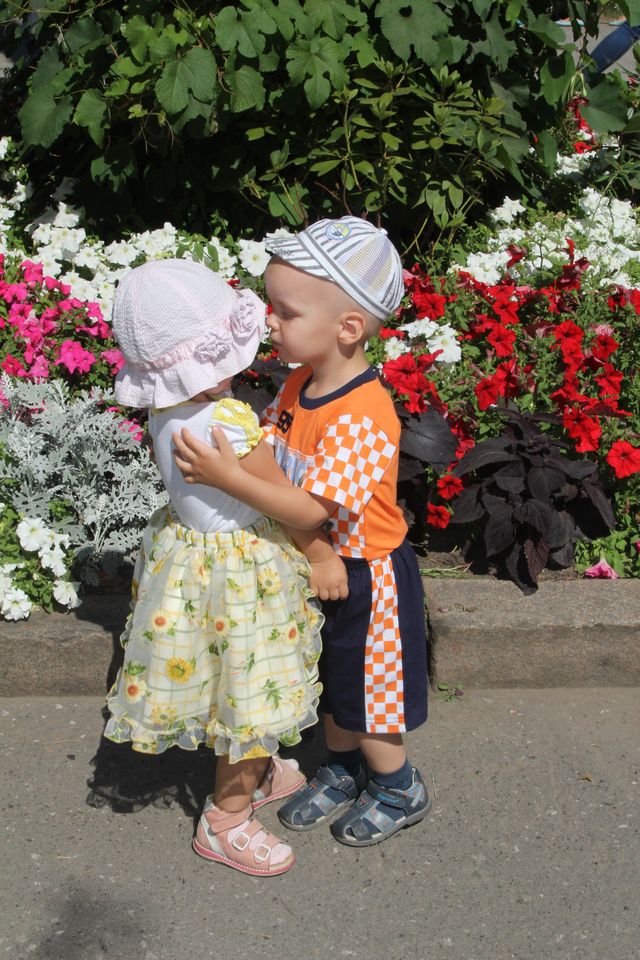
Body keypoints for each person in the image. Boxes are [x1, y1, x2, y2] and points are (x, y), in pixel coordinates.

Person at [173, 217, 431, 848]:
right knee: (333, 681)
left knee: (370, 696)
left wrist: (227, 477)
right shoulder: (300, 383)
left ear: (348, 328)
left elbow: (311, 510)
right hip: (320, 563)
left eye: (286, 312)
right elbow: (273, 454)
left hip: (370, 574)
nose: (271, 321)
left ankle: (398, 785)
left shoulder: (362, 414)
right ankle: (342, 769)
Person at [104, 258, 348, 877]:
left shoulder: (166, 413)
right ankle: (227, 819)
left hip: (190, 565)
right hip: (244, 577)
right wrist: (322, 554)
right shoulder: (229, 422)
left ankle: (257, 775)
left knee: (222, 678)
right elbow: (286, 503)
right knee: (251, 692)